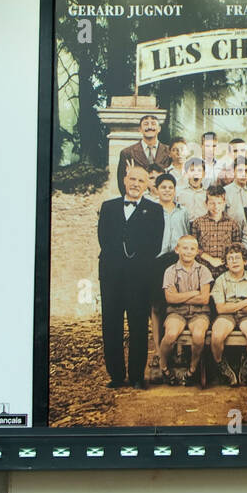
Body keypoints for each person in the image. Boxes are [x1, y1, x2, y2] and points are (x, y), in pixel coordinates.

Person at [96, 164, 164, 389]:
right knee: (111, 325)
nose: (136, 184)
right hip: (111, 276)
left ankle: (136, 376)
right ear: (125, 181)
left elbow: (155, 245)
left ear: (147, 186)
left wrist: (134, 261)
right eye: (132, 179)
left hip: (139, 278)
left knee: (137, 326)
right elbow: (103, 240)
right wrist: (119, 262)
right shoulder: (108, 207)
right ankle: (116, 375)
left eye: (141, 181)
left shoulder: (154, 210)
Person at [150, 172, 194, 381]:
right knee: (158, 306)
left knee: (178, 303)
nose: (167, 191)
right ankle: (159, 351)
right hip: (156, 261)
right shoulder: (150, 210)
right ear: (156, 190)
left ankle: (178, 352)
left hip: (177, 261)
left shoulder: (183, 212)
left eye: (170, 187)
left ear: (175, 190)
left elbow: (188, 235)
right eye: (163, 187)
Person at [158, 234, 212, 385]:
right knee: (171, 334)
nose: (188, 252)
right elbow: (170, 299)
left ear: (197, 251)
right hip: (177, 312)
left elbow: (204, 299)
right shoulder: (170, 271)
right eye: (185, 248)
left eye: (192, 249)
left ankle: (192, 370)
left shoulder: (203, 270)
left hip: (199, 313)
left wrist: (180, 295)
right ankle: (163, 367)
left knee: (198, 335)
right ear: (177, 249)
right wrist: (194, 293)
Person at [210, 244, 247, 385]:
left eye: (238, 258)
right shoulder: (220, 280)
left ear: (245, 261)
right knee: (216, 337)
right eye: (230, 259)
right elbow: (220, 309)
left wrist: (233, 307)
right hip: (227, 316)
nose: (234, 261)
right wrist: (244, 303)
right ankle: (221, 365)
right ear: (226, 264)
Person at [191, 185, 245, 279]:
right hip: (203, 270)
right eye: (212, 203)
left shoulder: (232, 223)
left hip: (226, 271)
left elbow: (237, 247)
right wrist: (210, 259)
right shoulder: (198, 223)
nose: (216, 207)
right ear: (206, 203)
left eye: (219, 203)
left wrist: (225, 261)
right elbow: (194, 247)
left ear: (224, 203)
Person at [115, 114, 171, 195]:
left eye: (153, 124)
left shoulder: (169, 152)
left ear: (159, 129)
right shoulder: (128, 153)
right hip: (138, 200)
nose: (149, 127)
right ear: (140, 129)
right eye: (146, 124)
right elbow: (122, 184)